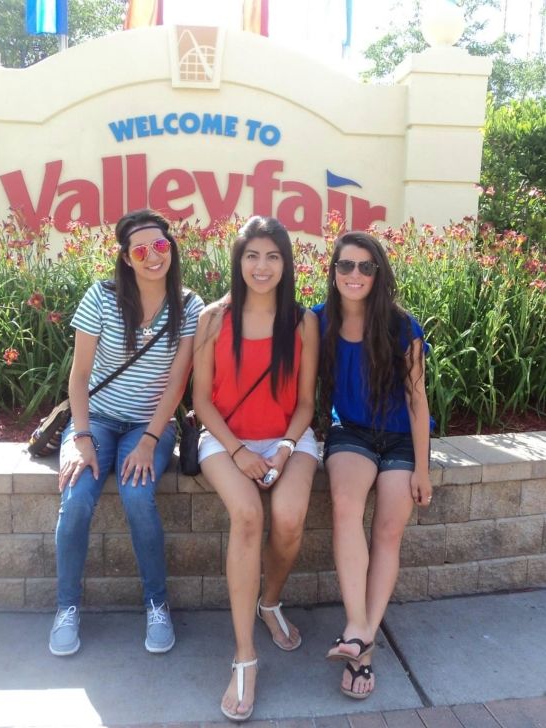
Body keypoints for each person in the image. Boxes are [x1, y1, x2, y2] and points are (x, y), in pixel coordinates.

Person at [49, 209, 204, 657]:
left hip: (148, 424)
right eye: (141, 249)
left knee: (138, 495)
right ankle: (66, 607)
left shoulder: (189, 306)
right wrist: (80, 438)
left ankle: (157, 604)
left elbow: (177, 384)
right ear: (126, 257)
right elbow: (78, 377)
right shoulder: (101, 297)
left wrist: (150, 440)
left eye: (160, 246)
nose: (153, 256)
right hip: (95, 419)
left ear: (170, 248)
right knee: (76, 496)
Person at [192, 216, 319, 722]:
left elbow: (307, 402)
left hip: (291, 436)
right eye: (251, 256)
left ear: (285, 263)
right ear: (237, 261)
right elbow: (201, 400)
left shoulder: (303, 321)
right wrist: (240, 451)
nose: (261, 266)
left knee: (288, 519)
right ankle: (245, 656)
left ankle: (270, 602)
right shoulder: (212, 319)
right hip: (224, 438)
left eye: (271, 256)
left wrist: (287, 446)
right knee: (248, 517)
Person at [312, 231, 432, 700]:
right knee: (345, 506)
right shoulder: (319, 322)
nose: (355, 275)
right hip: (352, 432)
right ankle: (358, 627)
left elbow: (417, 401)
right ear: (334, 272)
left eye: (365, 267)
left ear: (378, 273)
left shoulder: (403, 326)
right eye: (345, 266)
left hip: (401, 435)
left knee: (387, 530)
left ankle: (361, 645)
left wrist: (421, 469)